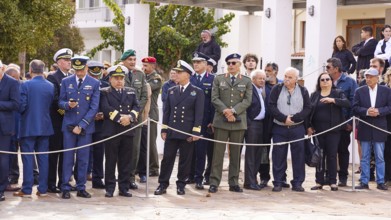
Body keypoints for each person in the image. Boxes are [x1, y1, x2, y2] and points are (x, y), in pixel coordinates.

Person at [154, 60, 204, 196]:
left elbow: (199, 114)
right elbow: (167, 112)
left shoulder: (197, 92)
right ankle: (162, 184)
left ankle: (181, 184)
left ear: (188, 75)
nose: (176, 74)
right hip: (172, 131)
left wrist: (196, 131)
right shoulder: (171, 91)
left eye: (180, 72)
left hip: (187, 132)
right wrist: (164, 129)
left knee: (185, 160)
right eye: (176, 71)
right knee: (167, 159)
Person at [208, 53, 252, 194]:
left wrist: (233, 111)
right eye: (229, 63)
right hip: (221, 121)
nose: (231, 66)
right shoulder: (219, 79)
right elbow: (214, 98)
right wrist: (226, 111)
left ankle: (233, 182)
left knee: (235, 154)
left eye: (234, 63)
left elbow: (247, 100)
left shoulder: (246, 81)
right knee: (218, 153)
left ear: (240, 65)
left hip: (238, 122)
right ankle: (214, 182)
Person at [59, 56, 100, 199]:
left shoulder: (94, 83)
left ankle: (81, 187)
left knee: (83, 159)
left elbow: (94, 107)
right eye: (76, 70)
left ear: (86, 68)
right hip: (69, 125)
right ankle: (65, 187)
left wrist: (82, 125)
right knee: (68, 158)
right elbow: (60, 101)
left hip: (85, 128)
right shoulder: (66, 81)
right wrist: (67, 105)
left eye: (82, 69)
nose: (79, 72)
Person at [13, 60, 54, 198]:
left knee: (28, 159)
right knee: (43, 158)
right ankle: (42, 189)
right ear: (43, 70)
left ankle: (27, 189)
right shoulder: (50, 86)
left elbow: (22, 106)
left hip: (28, 126)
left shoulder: (26, 85)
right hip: (45, 126)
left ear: (30, 70)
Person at [100, 65, 140, 198]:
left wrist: (130, 117)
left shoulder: (130, 91)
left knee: (125, 161)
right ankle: (110, 188)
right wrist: (120, 119)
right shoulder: (104, 92)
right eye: (116, 78)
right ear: (110, 79)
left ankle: (124, 187)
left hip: (127, 131)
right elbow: (105, 108)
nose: (119, 81)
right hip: (112, 131)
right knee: (111, 161)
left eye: (121, 78)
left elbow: (137, 106)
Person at [268, 67, 311, 192]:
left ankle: (297, 182)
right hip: (279, 128)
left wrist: (295, 118)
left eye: (290, 77)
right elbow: (271, 105)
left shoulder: (303, 90)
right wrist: (283, 118)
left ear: (296, 79)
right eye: (286, 76)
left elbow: (308, 107)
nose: (286, 79)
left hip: (297, 128)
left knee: (298, 156)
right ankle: (278, 181)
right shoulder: (277, 88)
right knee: (278, 156)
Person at [307, 73, 350, 191]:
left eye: (327, 79)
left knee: (332, 155)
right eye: (322, 80)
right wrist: (309, 126)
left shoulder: (338, 93)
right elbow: (308, 111)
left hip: (333, 131)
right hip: (318, 131)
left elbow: (347, 103)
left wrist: (333, 100)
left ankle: (332, 181)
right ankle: (319, 181)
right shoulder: (314, 95)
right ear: (319, 82)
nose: (325, 81)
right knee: (319, 156)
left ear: (331, 81)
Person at [353, 68, 391, 190]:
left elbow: (389, 107)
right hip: (365, 126)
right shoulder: (360, 91)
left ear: (377, 78)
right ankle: (364, 181)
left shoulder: (386, 91)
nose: (368, 79)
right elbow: (355, 108)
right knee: (365, 156)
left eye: (370, 77)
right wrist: (367, 112)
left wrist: (379, 111)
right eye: (366, 77)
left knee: (380, 156)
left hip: (380, 127)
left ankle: (380, 181)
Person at [326, 57, 358, 187]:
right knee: (329, 151)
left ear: (336, 69)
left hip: (343, 123)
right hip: (328, 123)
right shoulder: (325, 80)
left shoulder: (350, 82)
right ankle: (329, 176)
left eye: (328, 67)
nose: (326, 70)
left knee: (343, 150)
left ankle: (343, 177)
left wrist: (350, 122)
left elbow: (354, 103)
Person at [46, 48, 73, 193]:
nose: (69, 62)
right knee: (54, 154)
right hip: (57, 121)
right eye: (66, 60)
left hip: (69, 121)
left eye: (70, 60)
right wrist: (67, 112)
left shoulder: (72, 77)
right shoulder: (53, 77)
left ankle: (64, 182)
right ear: (59, 62)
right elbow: (55, 101)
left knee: (67, 154)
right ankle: (51, 183)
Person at [121, 49, 148, 188]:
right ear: (123, 61)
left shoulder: (140, 74)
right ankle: (120, 177)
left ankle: (130, 178)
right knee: (120, 150)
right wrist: (125, 115)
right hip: (121, 119)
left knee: (134, 150)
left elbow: (144, 95)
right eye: (129, 59)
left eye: (134, 59)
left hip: (135, 119)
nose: (132, 62)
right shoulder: (117, 73)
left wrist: (134, 113)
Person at [189, 52, 215, 190]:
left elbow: (214, 102)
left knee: (201, 151)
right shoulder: (190, 78)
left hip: (205, 121)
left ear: (205, 64)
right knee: (189, 150)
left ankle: (200, 178)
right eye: (194, 62)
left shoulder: (212, 79)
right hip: (190, 120)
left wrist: (212, 121)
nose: (196, 64)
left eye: (199, 62)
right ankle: (190, 175)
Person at [138, 56, 162, 182]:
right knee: (141, 142)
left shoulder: (156, 78)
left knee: (150, 142)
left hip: (151, 114)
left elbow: (147, 88)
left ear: (153, 66)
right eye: (143, 65)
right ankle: (140, 166)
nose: (143, 67)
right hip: (142, 114)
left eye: (146, 66)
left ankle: (154, 168)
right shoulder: (144, 77)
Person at [86, 61, 109, 189]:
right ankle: (81, 176)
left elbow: (109, 104)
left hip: (101, 124)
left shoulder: (105, 85)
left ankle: (98, 178)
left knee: (99, 153)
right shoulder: (83, 84)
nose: (95, 77)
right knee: (83, 151)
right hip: (86, 122)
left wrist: (103, 114)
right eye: (92, 74)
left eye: (97, 74)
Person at [0, 60, 20, 201]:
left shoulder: (12, 83)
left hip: (4, 128)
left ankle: (1, 189)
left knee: (3, 160)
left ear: (2, 69)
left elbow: (15, 104)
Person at [244, 70, 267, 191]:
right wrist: (248, 123)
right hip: (252, 124)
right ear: (253, 79)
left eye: (264, 78)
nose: (262, 81)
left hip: (260, 125)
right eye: (260, 78)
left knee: (258, 154)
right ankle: (249, 182)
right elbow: (245, 107)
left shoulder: (260, 90)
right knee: (251, 154)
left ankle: (253, 179)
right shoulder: (250, 89)